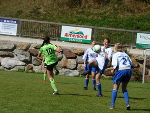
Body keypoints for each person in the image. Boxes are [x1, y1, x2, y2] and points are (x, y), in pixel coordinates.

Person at [109, 43, 134, 110]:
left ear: (115, 48)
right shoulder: (126, 54)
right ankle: (127, 104)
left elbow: (115, 64)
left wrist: (113, 70)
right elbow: (132, 64)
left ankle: (112, 105)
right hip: (128, 71)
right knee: (124, 88)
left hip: (121, 71)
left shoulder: (115, 54)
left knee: (115, 88)